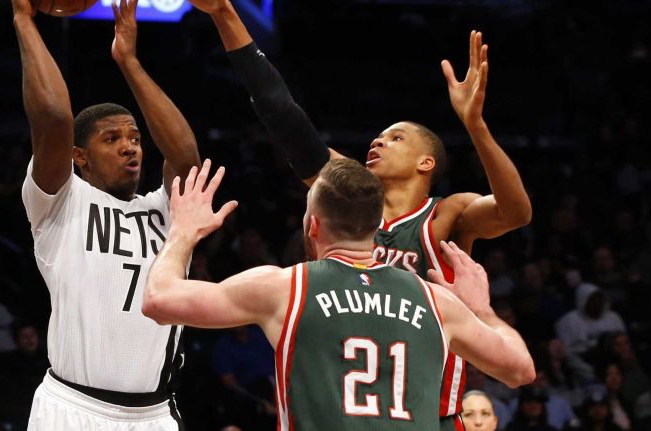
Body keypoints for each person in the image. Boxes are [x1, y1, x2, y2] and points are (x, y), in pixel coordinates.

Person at [186, 2, 532, 429]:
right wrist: (225, 14)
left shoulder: (444, 217)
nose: (378, 141)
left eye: (395, 137)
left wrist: (475, 125)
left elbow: (516, 211)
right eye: (379, 135)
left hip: (430, 413)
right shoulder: (344, 196)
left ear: (426, 163)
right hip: (340, 407)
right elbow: (282, 114)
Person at [143, 159, 534, 430]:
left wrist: (182, 232)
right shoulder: (436, 301)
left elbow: (159, 300)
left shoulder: (284, 286)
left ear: (313, 226)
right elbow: (520, 370)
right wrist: (482, 308)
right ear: (374, 227)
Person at [12, 0, 199, 427]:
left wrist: (129, 62)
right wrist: (24, 20)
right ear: (79, 156)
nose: (129, 145)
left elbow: (185, 155)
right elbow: (55, 118)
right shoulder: (60, 201)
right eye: (111, 138)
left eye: (134, 137)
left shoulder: (167, 211)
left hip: (154, 414)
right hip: (72, 408)